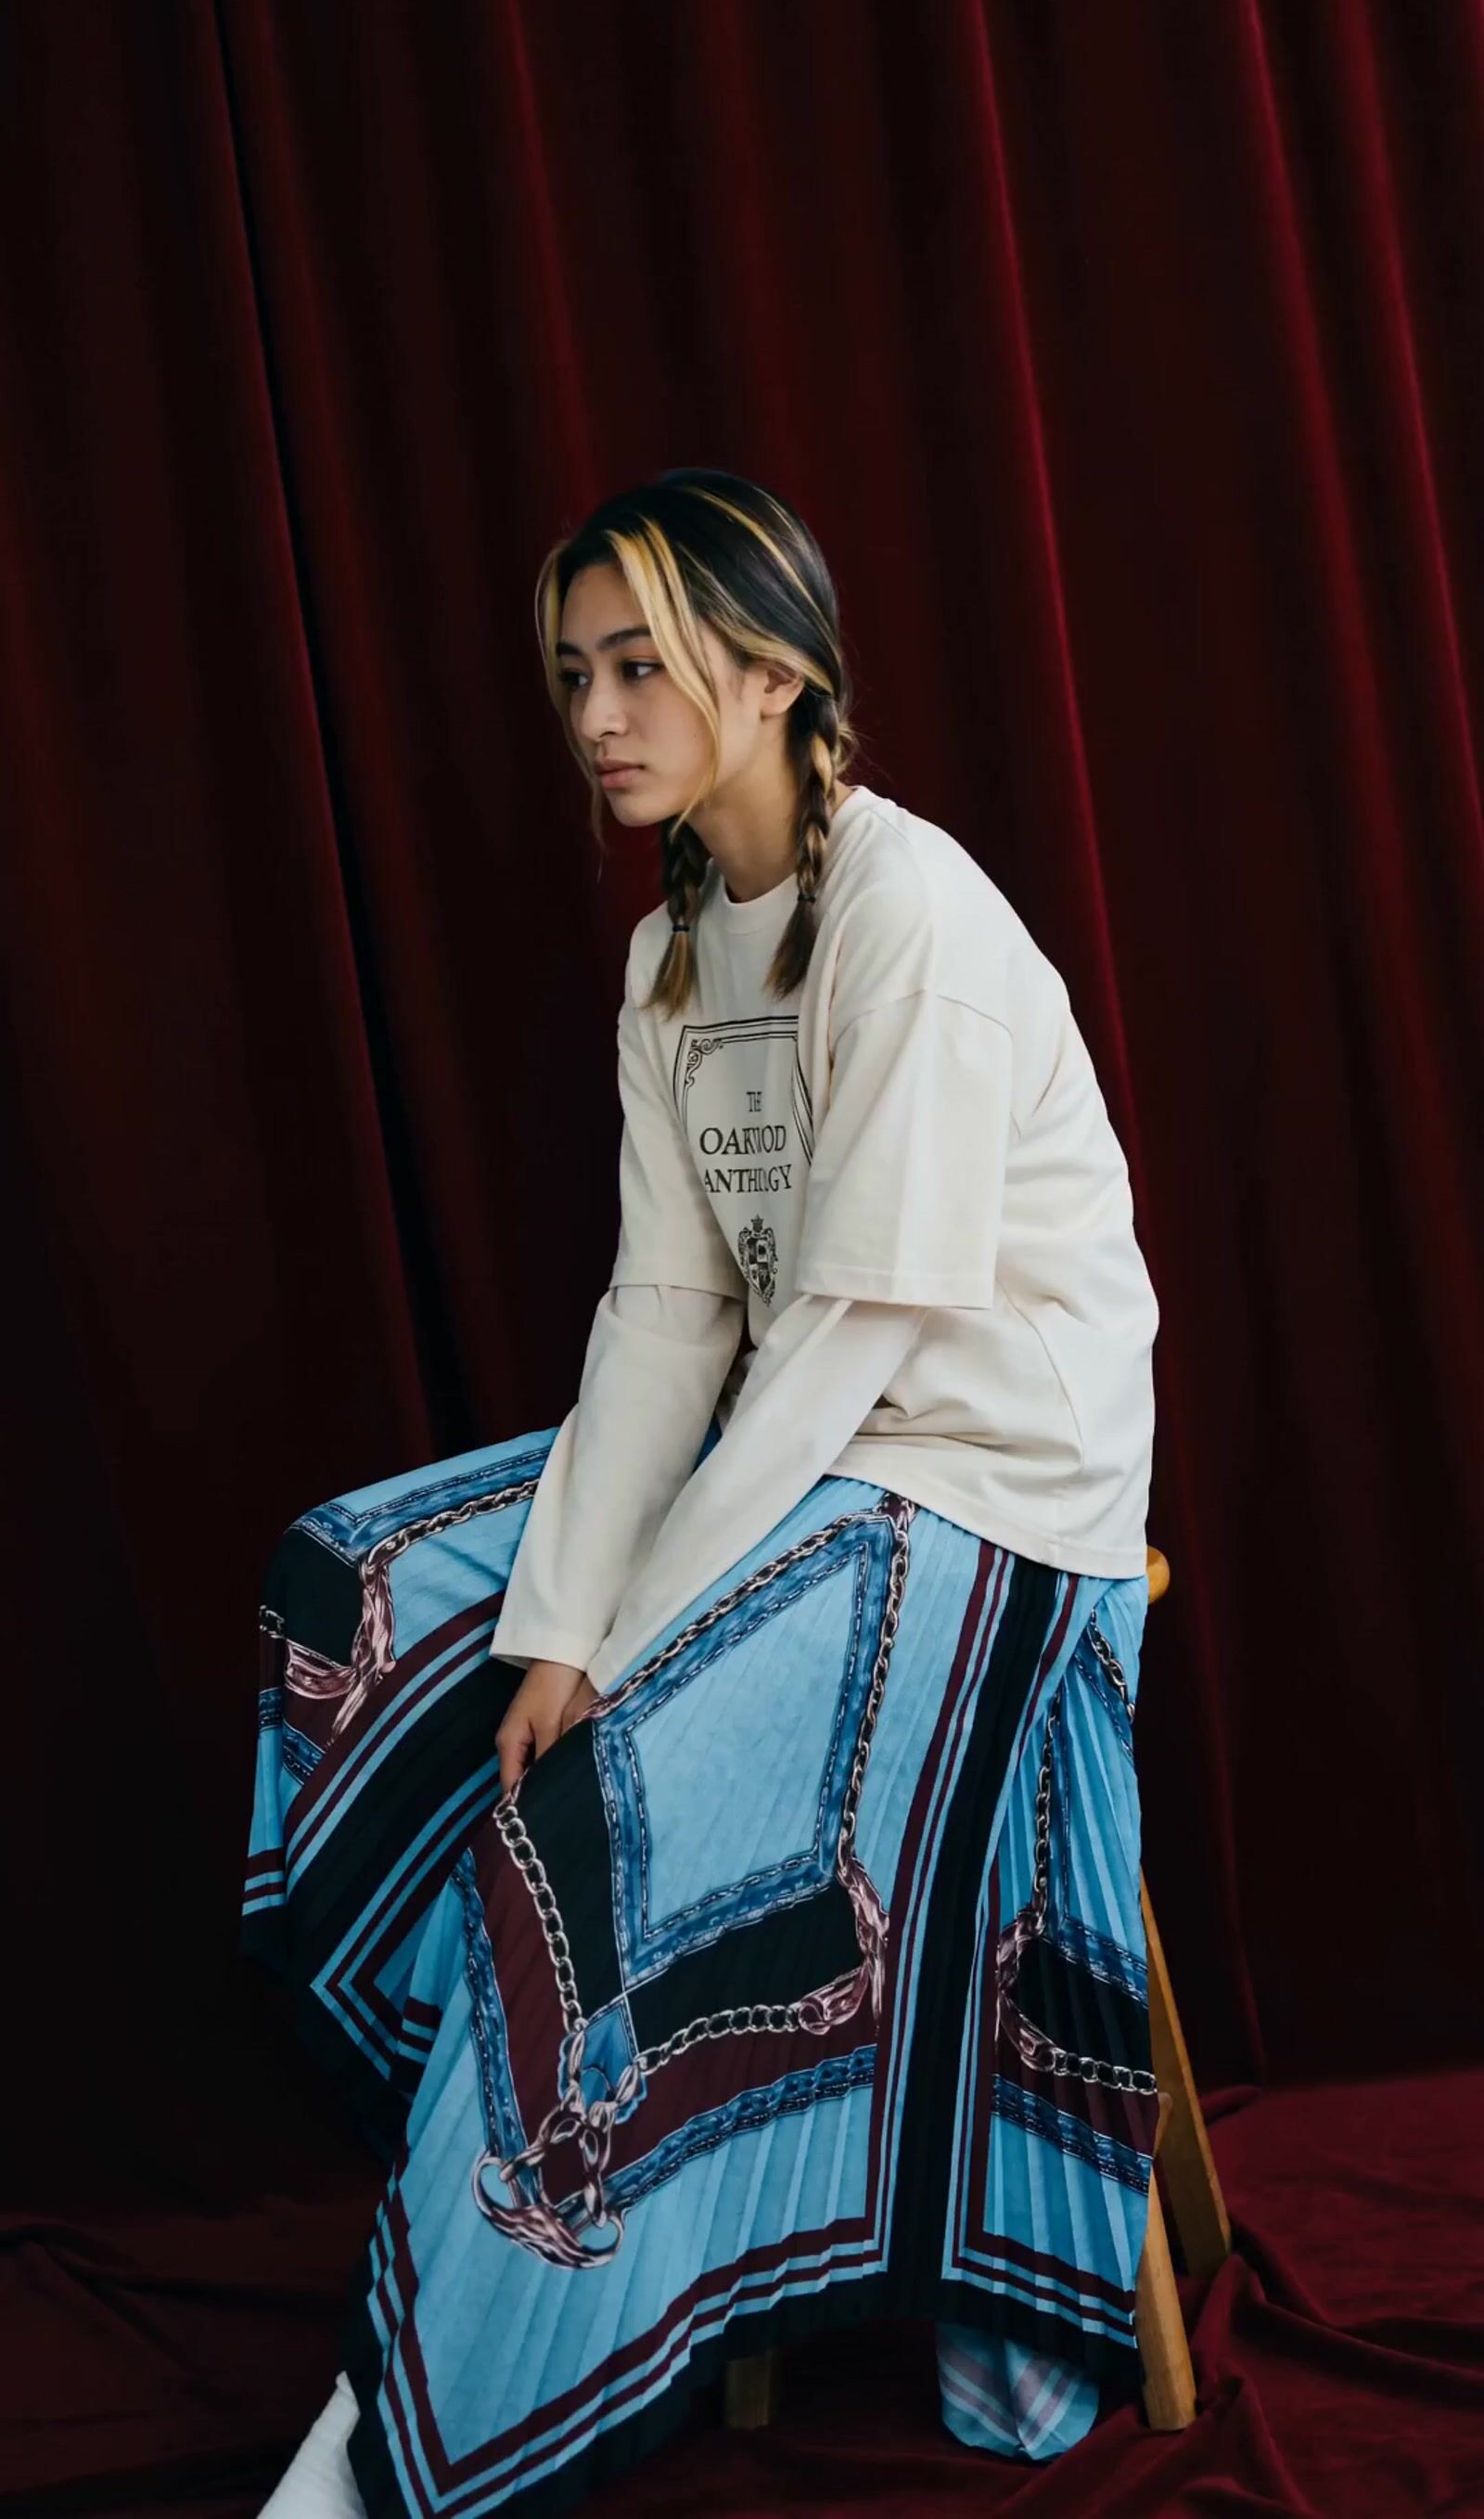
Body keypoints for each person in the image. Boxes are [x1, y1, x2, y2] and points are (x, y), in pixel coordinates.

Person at [245, 469, 1162, 2515]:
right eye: (573, 670)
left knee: (596, 1772)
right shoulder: (672, 962)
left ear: (771, 676)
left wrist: (623, 1644)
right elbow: (669, 1315)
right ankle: (499, 2115)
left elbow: (844, 1341)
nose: (594, 714)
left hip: (987, 1474)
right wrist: (555, 1616)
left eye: (641, 664)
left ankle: (416, 2392)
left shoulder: (906, 915)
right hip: (804, 1434)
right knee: (365, 1590)